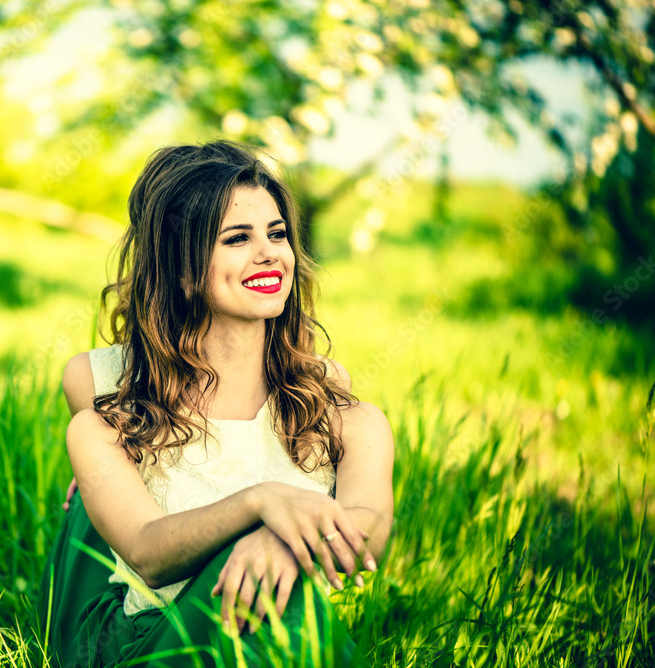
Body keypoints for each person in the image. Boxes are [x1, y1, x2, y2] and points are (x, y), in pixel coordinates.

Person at [37, 140, 394, 667]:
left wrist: (285, 544)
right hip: (155, 637)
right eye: (237, 239)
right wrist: (261, 503)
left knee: (281, 602)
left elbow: (372, 522)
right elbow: (146, 553)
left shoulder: (340, 415)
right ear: (182, 268)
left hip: (284, 629)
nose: (269, 252)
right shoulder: (111, 415)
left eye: (277, 234)